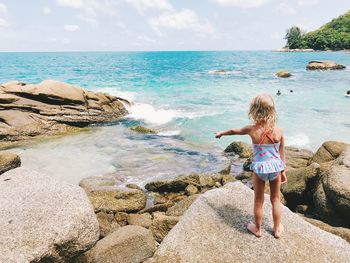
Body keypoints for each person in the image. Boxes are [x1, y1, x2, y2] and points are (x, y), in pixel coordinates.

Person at [215, 94, 286, 239]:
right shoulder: (279, 131)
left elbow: (235, 131)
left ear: (254, 111)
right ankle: (277, 229)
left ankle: (258, 229)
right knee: (275, 199)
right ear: (273, 112)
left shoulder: (252, 129)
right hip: (275, 168)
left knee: (259, 200)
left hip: (260, 169)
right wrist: (283, 171)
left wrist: (221, 133)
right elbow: (282, 154)